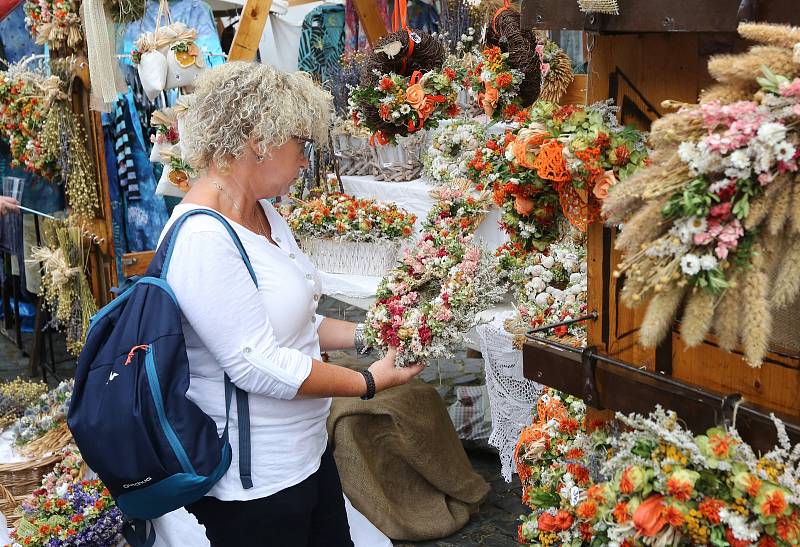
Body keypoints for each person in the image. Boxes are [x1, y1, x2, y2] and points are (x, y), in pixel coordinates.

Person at [159, 61, 425, 547]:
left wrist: (376, 333)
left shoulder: (264, 214)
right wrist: (367, 381)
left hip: (306, 455)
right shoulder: (203, 236)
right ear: (260, 139)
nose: (306, 162)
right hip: (254, 484)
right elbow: (255, 362)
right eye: (301, 146)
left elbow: (297, 321)